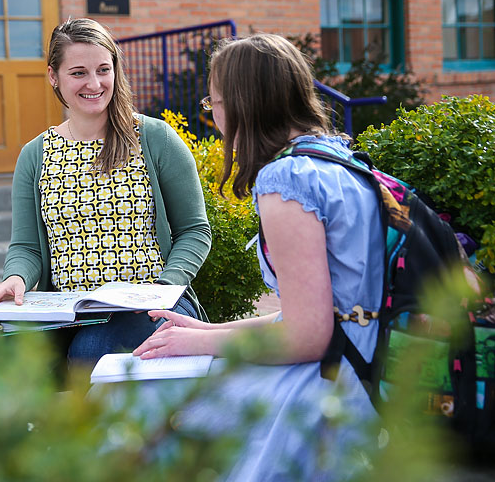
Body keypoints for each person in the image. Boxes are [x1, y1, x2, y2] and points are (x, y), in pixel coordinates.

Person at [129, 33, 382, 480]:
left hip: (340, 386)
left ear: (243, 104)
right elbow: (329, 316)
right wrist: (212, 330)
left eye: (214, 103)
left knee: (148, 409)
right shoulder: (335, 158)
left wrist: (204, 343)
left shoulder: (286, 183)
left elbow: (309, 337)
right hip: (369, 361)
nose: (214, 117)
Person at [0, 18, 212, 364]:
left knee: (90, 351)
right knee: (8, 359)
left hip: (149, 308)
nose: (94, 83)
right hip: (65, 311)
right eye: (78, 73)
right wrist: (15, 278)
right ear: (53, 76)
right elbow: (27, 246)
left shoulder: (154, 138)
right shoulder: (36, 154)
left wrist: (164, 288)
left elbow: (195, 231)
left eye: (103, 70)